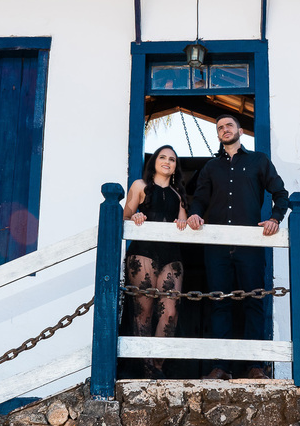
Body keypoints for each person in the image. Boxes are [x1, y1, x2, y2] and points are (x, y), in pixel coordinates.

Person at [187, 114, 289, 379]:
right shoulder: (210, 167)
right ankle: (221, 366)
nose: (224, 130)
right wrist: (194, 214)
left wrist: (275, 218)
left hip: (249, 245)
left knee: (254, 301)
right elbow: (199, 199)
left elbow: (281, 194)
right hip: (217, 246)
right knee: (220, 303)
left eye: (228, 125)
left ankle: (255, 365)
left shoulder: (259, 161)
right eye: (220, 127)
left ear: (240, 131)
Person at [123, 145, 189, 378]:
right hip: (144, 252)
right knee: (144, 310)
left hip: (171, 253)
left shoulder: (179, 193)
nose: (167, 162)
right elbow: (126, 214)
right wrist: (136, 215)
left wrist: (186, 222)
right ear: (154, 162)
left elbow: (183, 226)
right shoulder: (140, 186)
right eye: (162, 157)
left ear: (174, 167)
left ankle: (158, 365)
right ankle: (146, 367)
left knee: (170, 312)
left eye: (172, 159)